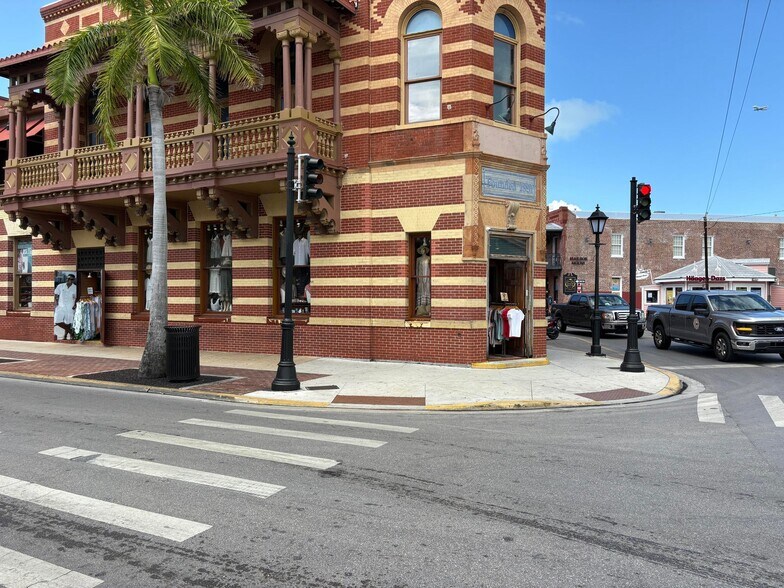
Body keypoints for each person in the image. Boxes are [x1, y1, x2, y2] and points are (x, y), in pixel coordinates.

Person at [54, 274, 77, 339]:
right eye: (68, 278)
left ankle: (65, 335)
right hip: (60, 306)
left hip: (70, 307)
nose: (69, 280)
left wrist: (74, 305)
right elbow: (56, 294)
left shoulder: (75, 287)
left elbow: (76, 297)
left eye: (71, 279)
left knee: (68, 322)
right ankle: (71, 332)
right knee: (57, 321)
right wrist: (56, 302)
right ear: (66, 278)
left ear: (73, 280)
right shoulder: (60, 286)